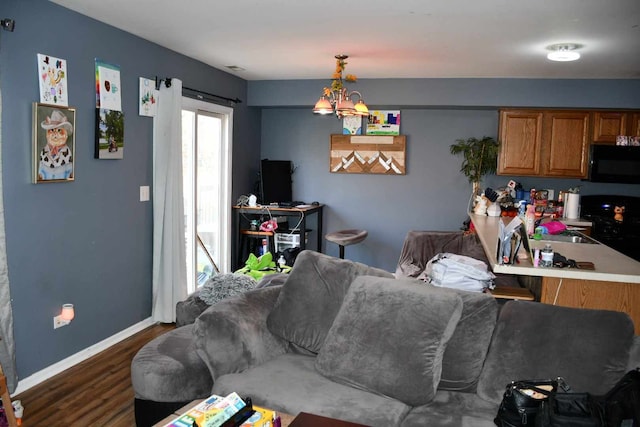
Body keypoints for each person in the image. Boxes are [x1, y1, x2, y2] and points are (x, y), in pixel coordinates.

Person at [38, 109, 73, 180]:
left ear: (65, 134)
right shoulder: (44, 151)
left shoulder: (67, 152)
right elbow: (40, 172)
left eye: (59, 130)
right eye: (52, 130)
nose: (55, 134)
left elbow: (70, 173)